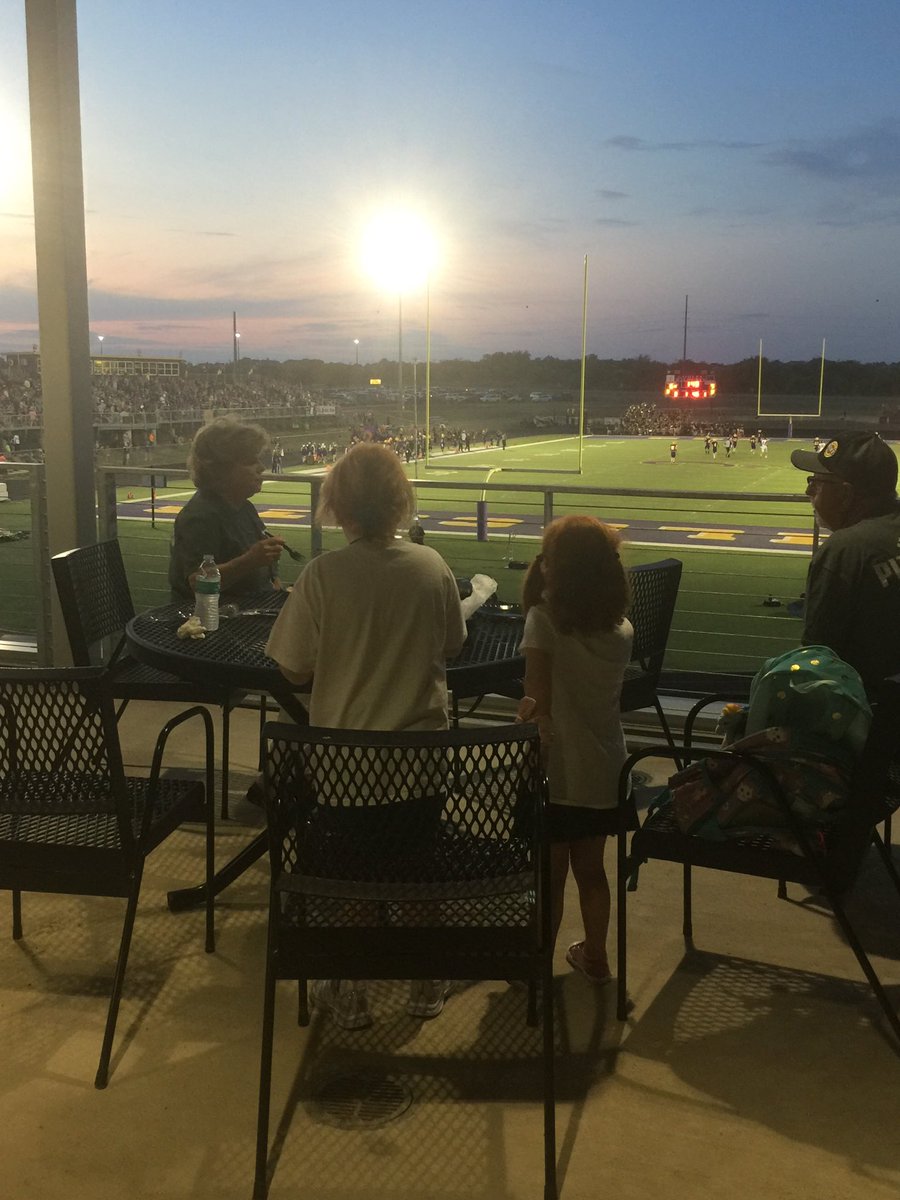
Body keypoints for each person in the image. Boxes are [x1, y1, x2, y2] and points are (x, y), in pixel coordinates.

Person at [266, 442, 466, 1026]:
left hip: (343, 772)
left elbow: (293, 668)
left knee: (351, 877)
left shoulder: (323, 574)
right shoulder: (433, 567)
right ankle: (426, 980)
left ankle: (350, 987)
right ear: (401, 500)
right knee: (419, 866)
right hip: (421, 769)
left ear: (338, 506)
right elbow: (453, 644)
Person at [516, 515, 634, 985]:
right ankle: (597, 956)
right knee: (592, 871)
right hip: (606, 767)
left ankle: (537, 963)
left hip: (558, 769)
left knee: (550, 874)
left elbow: (535, 707)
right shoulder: (621, 628)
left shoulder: (542, 621)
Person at [790, 431, 900, 692]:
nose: (808, 490)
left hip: (869, 710)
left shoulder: (846, 551)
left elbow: (817, 659)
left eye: (817, 482)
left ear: (846, 494)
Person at [168, 418, 285, 602]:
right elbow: (197, 582)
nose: (261, 468)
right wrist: (249, 561)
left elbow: (266, 570)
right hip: (213, 622)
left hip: (249, 612)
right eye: (249, 461)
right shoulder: (200, 516)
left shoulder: (244, 507)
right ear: (220, 469)